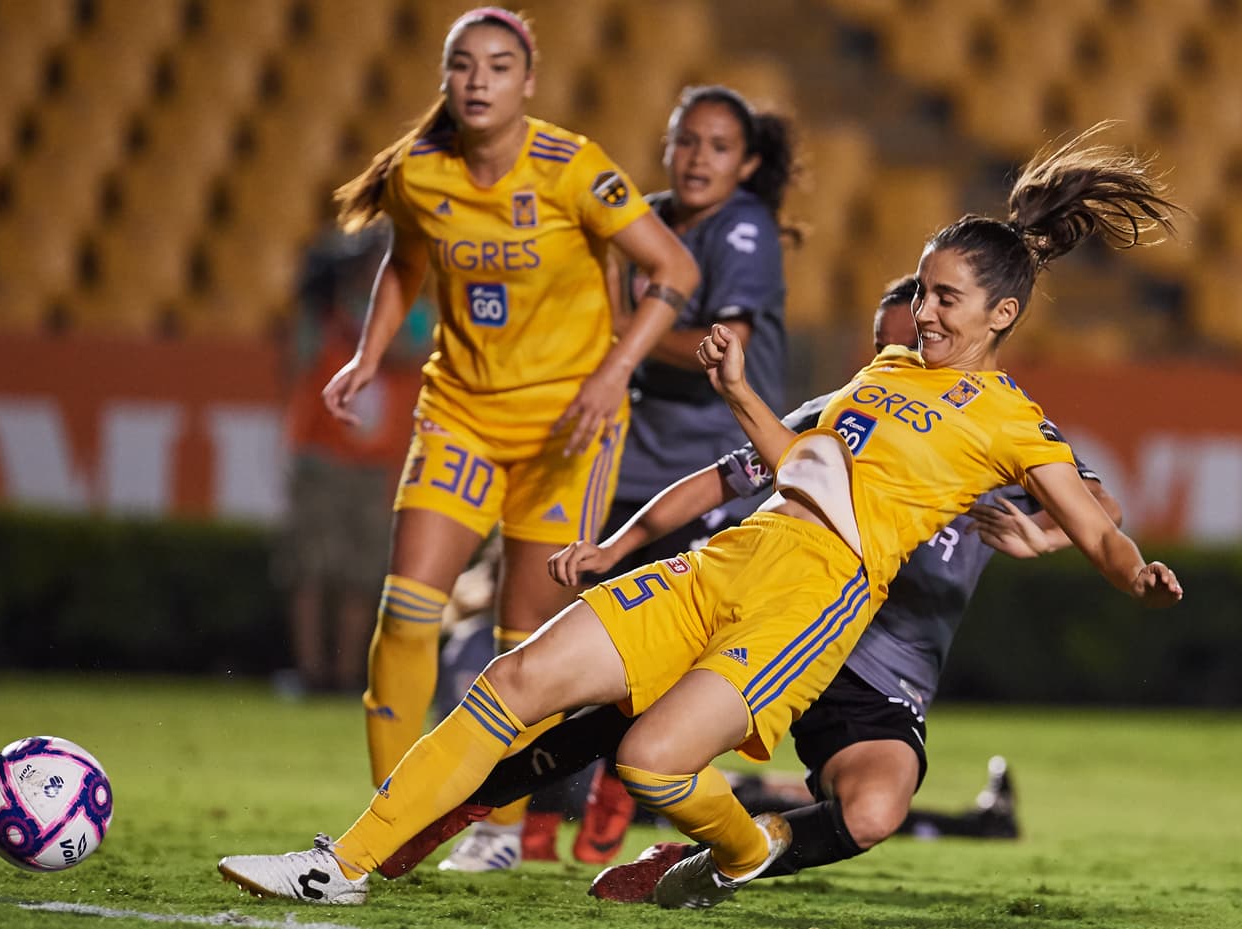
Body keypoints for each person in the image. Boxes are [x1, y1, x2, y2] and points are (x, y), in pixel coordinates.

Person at [217, 124, 1183, 909]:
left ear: (1001, 315)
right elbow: (796, 465)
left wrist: (1129, 569)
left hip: (813, 599)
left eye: (943, 298)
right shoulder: (884, 373)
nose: (921, 314)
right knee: (519, 675)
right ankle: (339, 863)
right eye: (921, 292)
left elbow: (1096, 521)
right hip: (736, 555)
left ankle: (745, 849)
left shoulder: (1013, 421)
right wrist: (733, 389)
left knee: (648, 760)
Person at [368, 276, 1107, 891]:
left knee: (876, 809)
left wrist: (1040, 532)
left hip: (875, 675)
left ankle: (717, 856)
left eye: (919, 335)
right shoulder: (839, 419)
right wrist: (619, 544)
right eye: (895, 340)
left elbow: (1096, 504)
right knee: (622, 714)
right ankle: (459, 808)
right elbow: (715, 483)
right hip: (783, 615)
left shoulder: (989, 437)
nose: (909, 351)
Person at [321, 5, 699, 856]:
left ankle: (481, 821)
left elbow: (674, 267)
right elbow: (405, 263)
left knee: (523, 649)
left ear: (527, 83)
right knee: (410, 611)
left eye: (498, 66)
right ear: (446, 80)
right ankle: (396, 819)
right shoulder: (419, 174)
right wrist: (367, 356)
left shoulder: (573, 168)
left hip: (569, 427)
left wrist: (612, 374)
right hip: (459, 411)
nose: (479, 80)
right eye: (463, 66)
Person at [478, 82, 795, 870]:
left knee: (649, 661)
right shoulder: (645, 218)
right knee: (574, 646)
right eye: (687, 141)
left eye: (718, 148)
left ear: (746, 163)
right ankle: (538, 820)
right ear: (666, 145)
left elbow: (724, 348)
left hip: (711, 467)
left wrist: (626, 330)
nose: (698, 160)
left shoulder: (744, 226)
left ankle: (605, 812)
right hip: (623, 462)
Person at [273, 226, 398, 695]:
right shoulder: (317, 317)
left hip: (371, 462)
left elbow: (410, 349)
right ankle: (310, 671)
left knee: (361, 573)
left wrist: (357, 320)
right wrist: (327, 307)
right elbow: (295, 363)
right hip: (320, 456)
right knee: (310, 568)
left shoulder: (407, 314)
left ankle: (345, 675)